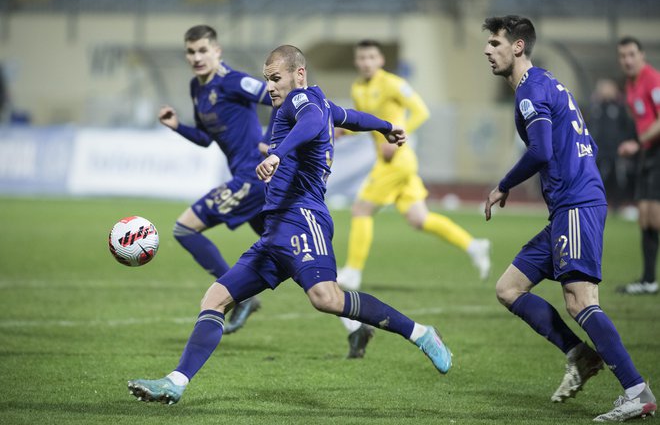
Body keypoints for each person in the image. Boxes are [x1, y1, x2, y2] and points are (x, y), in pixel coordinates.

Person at [128, 45, 453, 405]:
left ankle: (421, 333)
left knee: (326, 298)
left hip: (303, 218)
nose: (270, 86)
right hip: (275, 228)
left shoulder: (301, 103)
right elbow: (351, 117)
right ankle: (176, 381)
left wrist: (278, 153)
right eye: (267, 79)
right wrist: (387, 126)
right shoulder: (322, 103)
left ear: (299, 74)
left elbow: (313, 121)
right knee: (216, 298)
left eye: (276, 78)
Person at [482, 16, 656, 422]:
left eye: (495, 43)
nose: (488, 51)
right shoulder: (549, 82)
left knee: (580, 302)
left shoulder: (530, 91)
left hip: (575, 206)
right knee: (509, 288)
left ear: (519, 46)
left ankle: (637, 390)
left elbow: (541, 151)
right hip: (570, 206)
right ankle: (580, 355)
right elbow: (588, 144)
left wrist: (503, 184)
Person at [335, 40, 492, 359]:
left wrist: (397, 132)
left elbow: (421, 111)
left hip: (397, 160)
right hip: (391, 163)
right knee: (419, 219)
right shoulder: (358, 88)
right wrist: (343, 131)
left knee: (361, 208)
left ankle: (352, 271)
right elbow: (364, 121)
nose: (366, 62)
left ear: (380, 59)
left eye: (371, 56)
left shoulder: (393, 84)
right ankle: (474, 245)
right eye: (361, 57)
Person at [160, 25, 272, 333]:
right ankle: (352, 323)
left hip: (253, 177)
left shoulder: (233, 81)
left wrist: (272, 140)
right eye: (191, 51)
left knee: (184, 229)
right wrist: (177, 126)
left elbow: (280, 97)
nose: (196, 57)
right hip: (250, 180)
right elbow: (206, 138)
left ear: (217, 51)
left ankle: (238, 295)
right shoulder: (197, 88)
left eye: (202, 50)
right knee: (287, 254)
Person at [615, 36, 660, 295]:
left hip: (656, 150)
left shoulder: (652, 79)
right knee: (645, 217)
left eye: (632, 54)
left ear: (642, 55)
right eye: (622, 56)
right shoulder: (630, 86)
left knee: (654, 216)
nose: (627, 60)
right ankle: (648, 279)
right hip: (648, 153)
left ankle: (649, 279)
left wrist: (637, 142)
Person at [587, 79, 637, 211]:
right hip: (597, 149)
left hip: (615, 150)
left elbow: (627, 127)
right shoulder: (595, 106)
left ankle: (616, 204)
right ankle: (594, 202)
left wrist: (623, 142)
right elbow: (589, 125)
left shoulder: (619, 107)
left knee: (616, 177)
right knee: (594, 176)